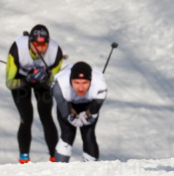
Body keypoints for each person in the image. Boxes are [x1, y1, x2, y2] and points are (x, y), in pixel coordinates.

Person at [6, 24, 64, 163]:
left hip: (42, 82)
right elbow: (9, 83)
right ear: (29, 42)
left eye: (44, 45)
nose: (40, 48)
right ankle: (24, 158)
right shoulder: (17, 48)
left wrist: (45, 79)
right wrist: (27, 79)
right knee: (26, 117)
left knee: (46, 116)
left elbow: (55, 84)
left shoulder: (56, 52)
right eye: (36, 44)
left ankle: (54, 157)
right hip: (21, 80)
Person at [52, 61, 107, 162]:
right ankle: (59, 169)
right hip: (67, 102)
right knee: (67, 133)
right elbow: (65, 113)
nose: (81, 88)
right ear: (70, 81)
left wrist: (88, 117)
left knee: (88, 134)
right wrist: (71, 117)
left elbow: (93, 111)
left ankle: (91, 170)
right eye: (76, 83)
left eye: (85, 83)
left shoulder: (100, 86)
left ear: (91, 81)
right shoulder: (59, 87)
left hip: (89, 103)